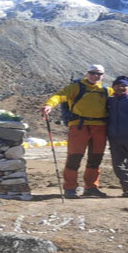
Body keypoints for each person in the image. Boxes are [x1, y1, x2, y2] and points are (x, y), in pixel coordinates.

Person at [41, 64, 112, 198]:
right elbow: (59, 96)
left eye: (99, 74)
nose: (96, 76)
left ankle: (91, 187)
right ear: (87, 73)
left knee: (95, 158)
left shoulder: (107, 91)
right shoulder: (75, 88)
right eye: (93, 73)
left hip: (100, 127)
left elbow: (123, 97)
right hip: (79, 126)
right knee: (74, 157)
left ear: (103, 76)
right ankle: (70, 188)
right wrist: (48, 105)